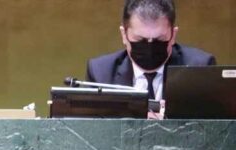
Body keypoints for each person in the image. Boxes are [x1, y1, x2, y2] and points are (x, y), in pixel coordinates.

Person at [86, 0, 215, 105]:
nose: (150, 47)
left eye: (159, 39)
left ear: (173, 35)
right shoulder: (101, 74)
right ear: (124, 35)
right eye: (139, 40)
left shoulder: (200, 69)